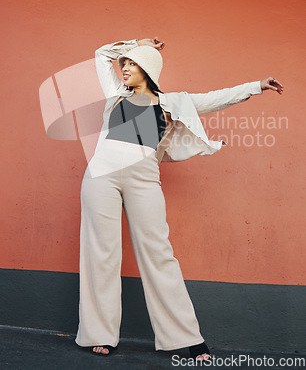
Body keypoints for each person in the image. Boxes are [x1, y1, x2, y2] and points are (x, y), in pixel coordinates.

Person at [74, 37, 284, 361]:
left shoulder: (172, 102)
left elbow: (216, 99)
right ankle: (99, 333)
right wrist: (138, 43)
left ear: (148, 69)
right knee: (101, 254)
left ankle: (186, 337)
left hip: (144, 180)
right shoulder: (116, 94)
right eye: (124, 64)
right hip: (100, 177)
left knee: (159, 255)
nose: (125, 67)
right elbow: (102, 53)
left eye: (132, 63)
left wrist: (256, 86)